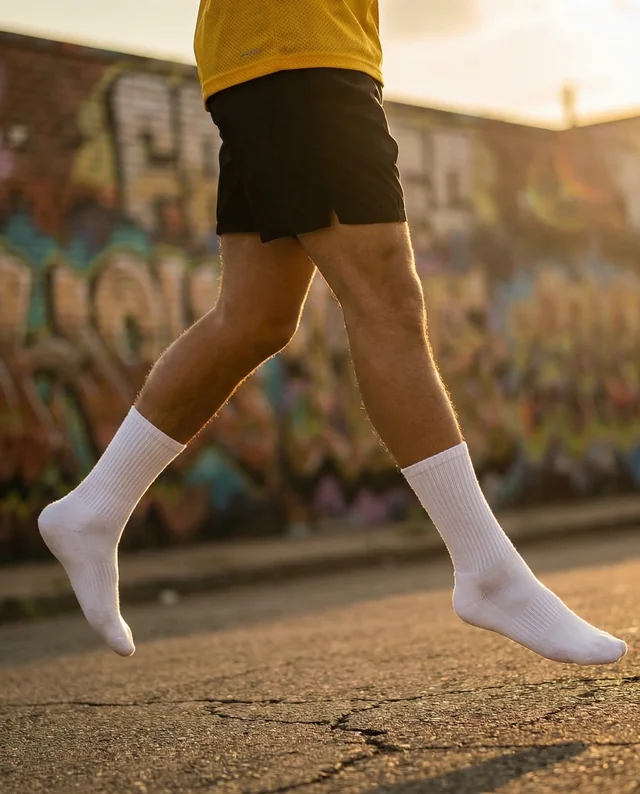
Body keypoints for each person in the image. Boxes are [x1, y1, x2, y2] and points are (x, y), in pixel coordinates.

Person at [39, 0, 626, 665]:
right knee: (388, 301)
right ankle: (485, 568)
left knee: (253, 317)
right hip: (298, 48)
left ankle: (94, 508)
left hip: (285, 54)